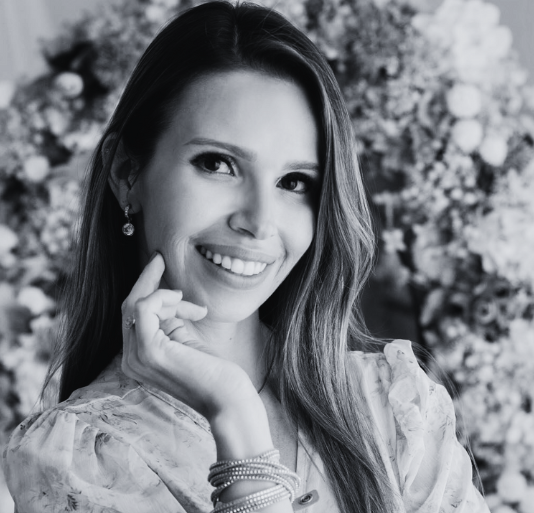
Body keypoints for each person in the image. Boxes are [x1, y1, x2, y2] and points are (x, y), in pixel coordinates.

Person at [2, 2, 490, 512]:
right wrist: (234, 417)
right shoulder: (80, 461)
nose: (259, 222)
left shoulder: (394, 406)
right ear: (127, 173)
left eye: (294, 182)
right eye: (218, 164)